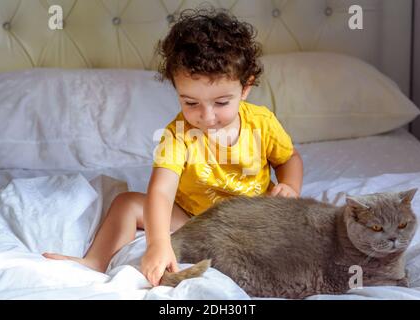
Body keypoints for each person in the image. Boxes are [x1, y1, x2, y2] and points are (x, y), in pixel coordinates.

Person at [43, 8, 303, 287]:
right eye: (191, 103)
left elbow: (289, 159)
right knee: (127, 203)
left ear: (246, 88)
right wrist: (158, 243)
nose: (207, 116)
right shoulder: (177, 134)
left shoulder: (261, 123)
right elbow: (162, 192)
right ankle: (95, 261)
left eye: (221, 102)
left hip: (251, 220)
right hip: (193, 220)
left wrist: (290, 186)